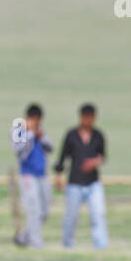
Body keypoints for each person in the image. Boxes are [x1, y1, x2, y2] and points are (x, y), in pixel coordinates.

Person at [53, 103, 108, 249]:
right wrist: (58, 176)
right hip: (75, 181)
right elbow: (62, 157)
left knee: (98, 214)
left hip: (93, 182)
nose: (87, 121)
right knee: (70, 217)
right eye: (85, 117)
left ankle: (101, 245)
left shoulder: (98, 135)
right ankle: (67, 244)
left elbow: (103, 156)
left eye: (90, 118)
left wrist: (94, 162)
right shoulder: (71, 135)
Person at [11, 103, 53, 249]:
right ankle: (36, 243)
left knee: (45, 211)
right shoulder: (19, 128)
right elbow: (19, 150)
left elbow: (50, 148)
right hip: (27, 175)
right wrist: (30, 133)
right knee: (33, 209)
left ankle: (23, 236)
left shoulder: (40, 131)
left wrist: (41, 136)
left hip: (42, 174)